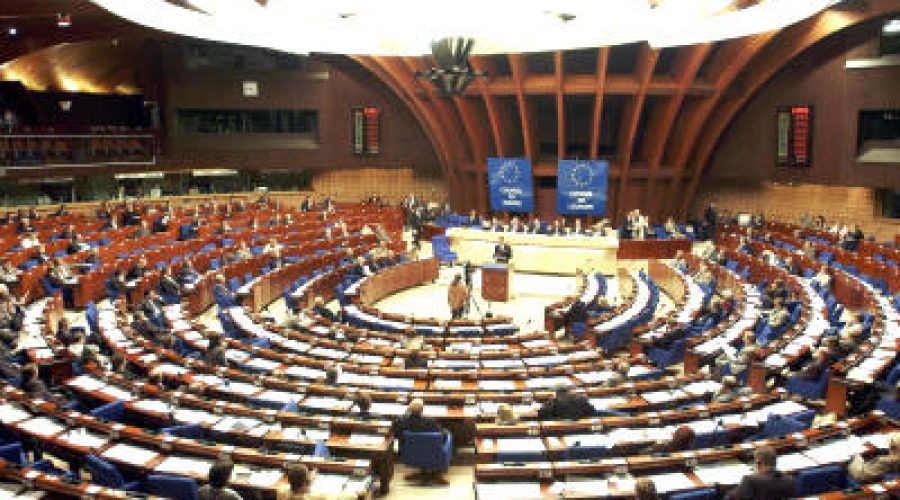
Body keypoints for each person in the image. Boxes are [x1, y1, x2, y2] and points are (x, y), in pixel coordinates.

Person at [725, 446, 796, 499]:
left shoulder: (750, 479)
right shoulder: (790, 479)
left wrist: (722, 489)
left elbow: (732, 497)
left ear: (758, 463)